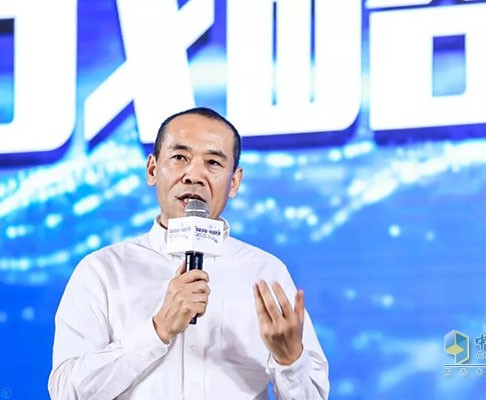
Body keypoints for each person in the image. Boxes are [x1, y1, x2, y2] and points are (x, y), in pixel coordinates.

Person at [48, 107, 329, 399]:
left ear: (234, 182)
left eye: (213, 162)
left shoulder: (265, 273)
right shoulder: (102, 271)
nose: (194, 175)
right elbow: (66, 392)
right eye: (180, 157)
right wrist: (157, 329)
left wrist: (289, 360)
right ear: (152, 170)